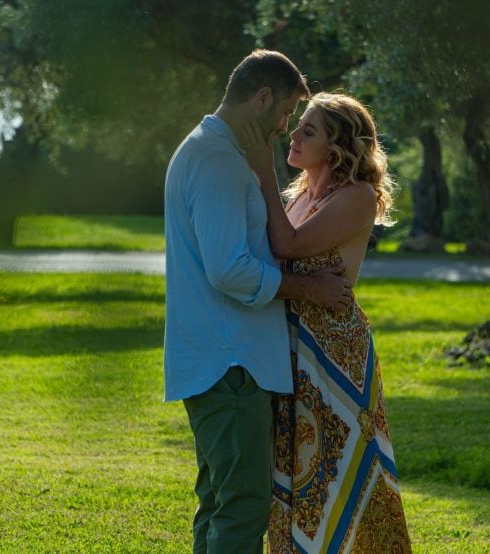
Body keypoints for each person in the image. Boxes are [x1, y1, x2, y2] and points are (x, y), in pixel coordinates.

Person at [164, 52, 356, 554]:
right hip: (231, 363)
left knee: (221, 501)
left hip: (224, 360)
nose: (285, 126)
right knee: (244, 504)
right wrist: (311, 290)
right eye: (287, 112)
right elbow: (228, 269)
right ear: (264, 97)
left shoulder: (211, 150)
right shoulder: (219, 160)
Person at [244, 92, 413, 553]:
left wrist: (262, 167)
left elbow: (288, 246)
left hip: (335, 351)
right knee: (296, 470)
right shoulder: (299, 196)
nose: (294, 135)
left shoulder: (357, 197)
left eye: (309, 131)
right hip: (292, 346)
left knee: (340, 469)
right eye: (297, 126)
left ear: (337, 148)